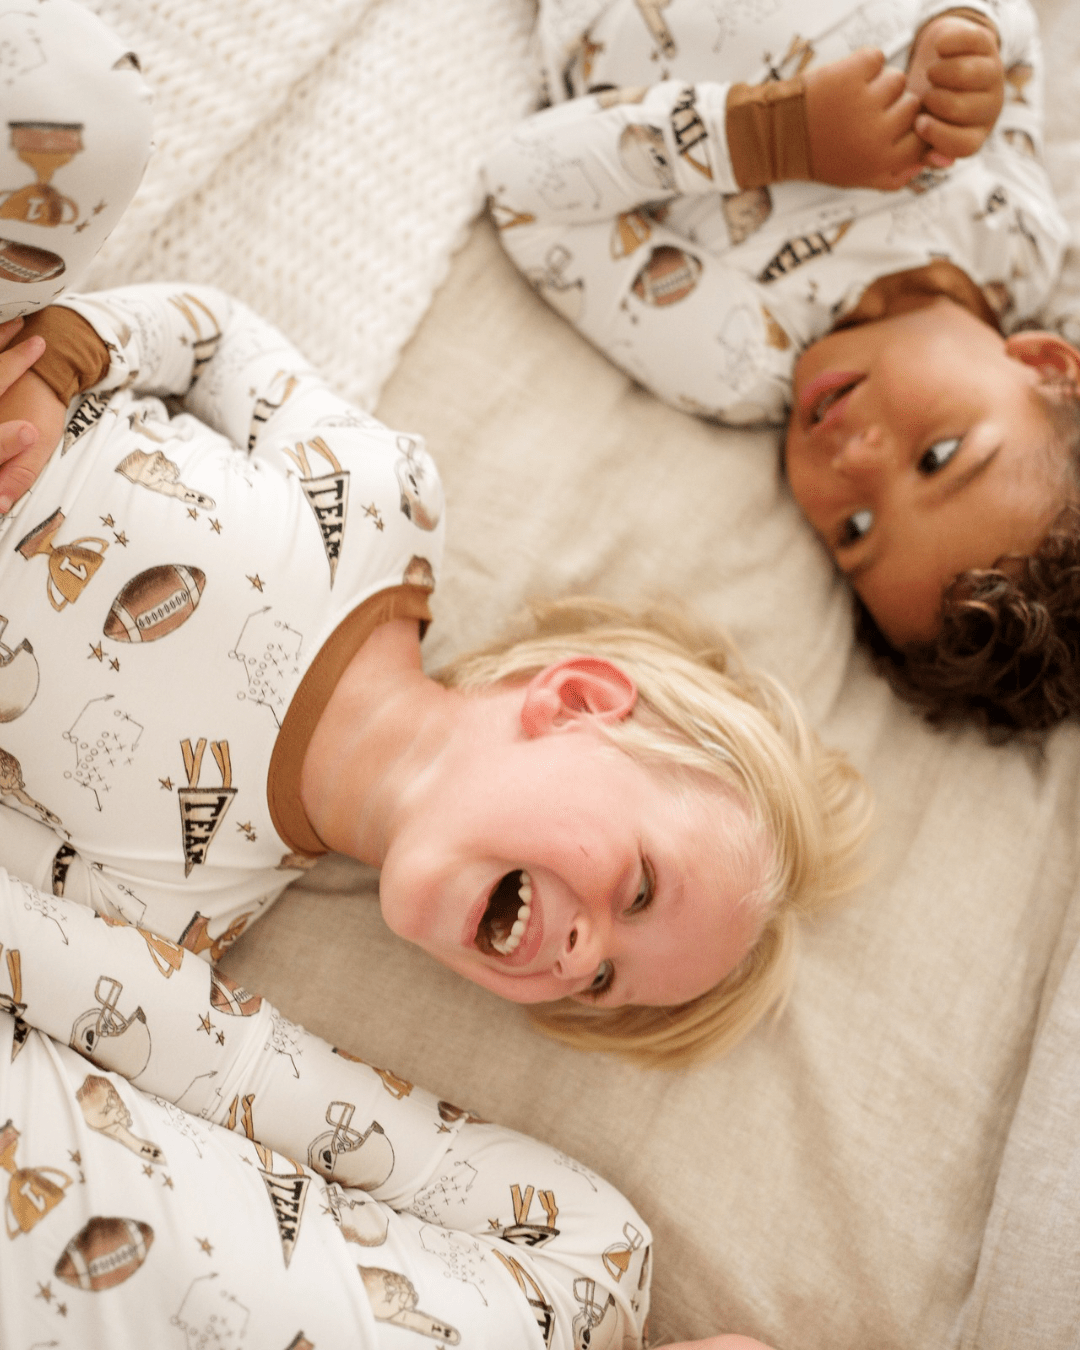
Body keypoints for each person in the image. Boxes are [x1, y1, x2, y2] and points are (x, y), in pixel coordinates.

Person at [0, 279, 869, 1068]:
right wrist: (62, 356)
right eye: (639, 890)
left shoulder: (175, 916)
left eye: (603, 983)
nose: (577, 961)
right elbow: (213, 342)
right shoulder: (381, 511)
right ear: (576, 702)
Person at [483, 0, 1080, 734]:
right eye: (937, 457)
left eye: (857, 528)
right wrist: (965, 42)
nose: (854, 462)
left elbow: (525, 187)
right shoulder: (1017, 244)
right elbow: (1015, 38)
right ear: (1046, 365)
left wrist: (777, 134)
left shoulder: (744, 354)